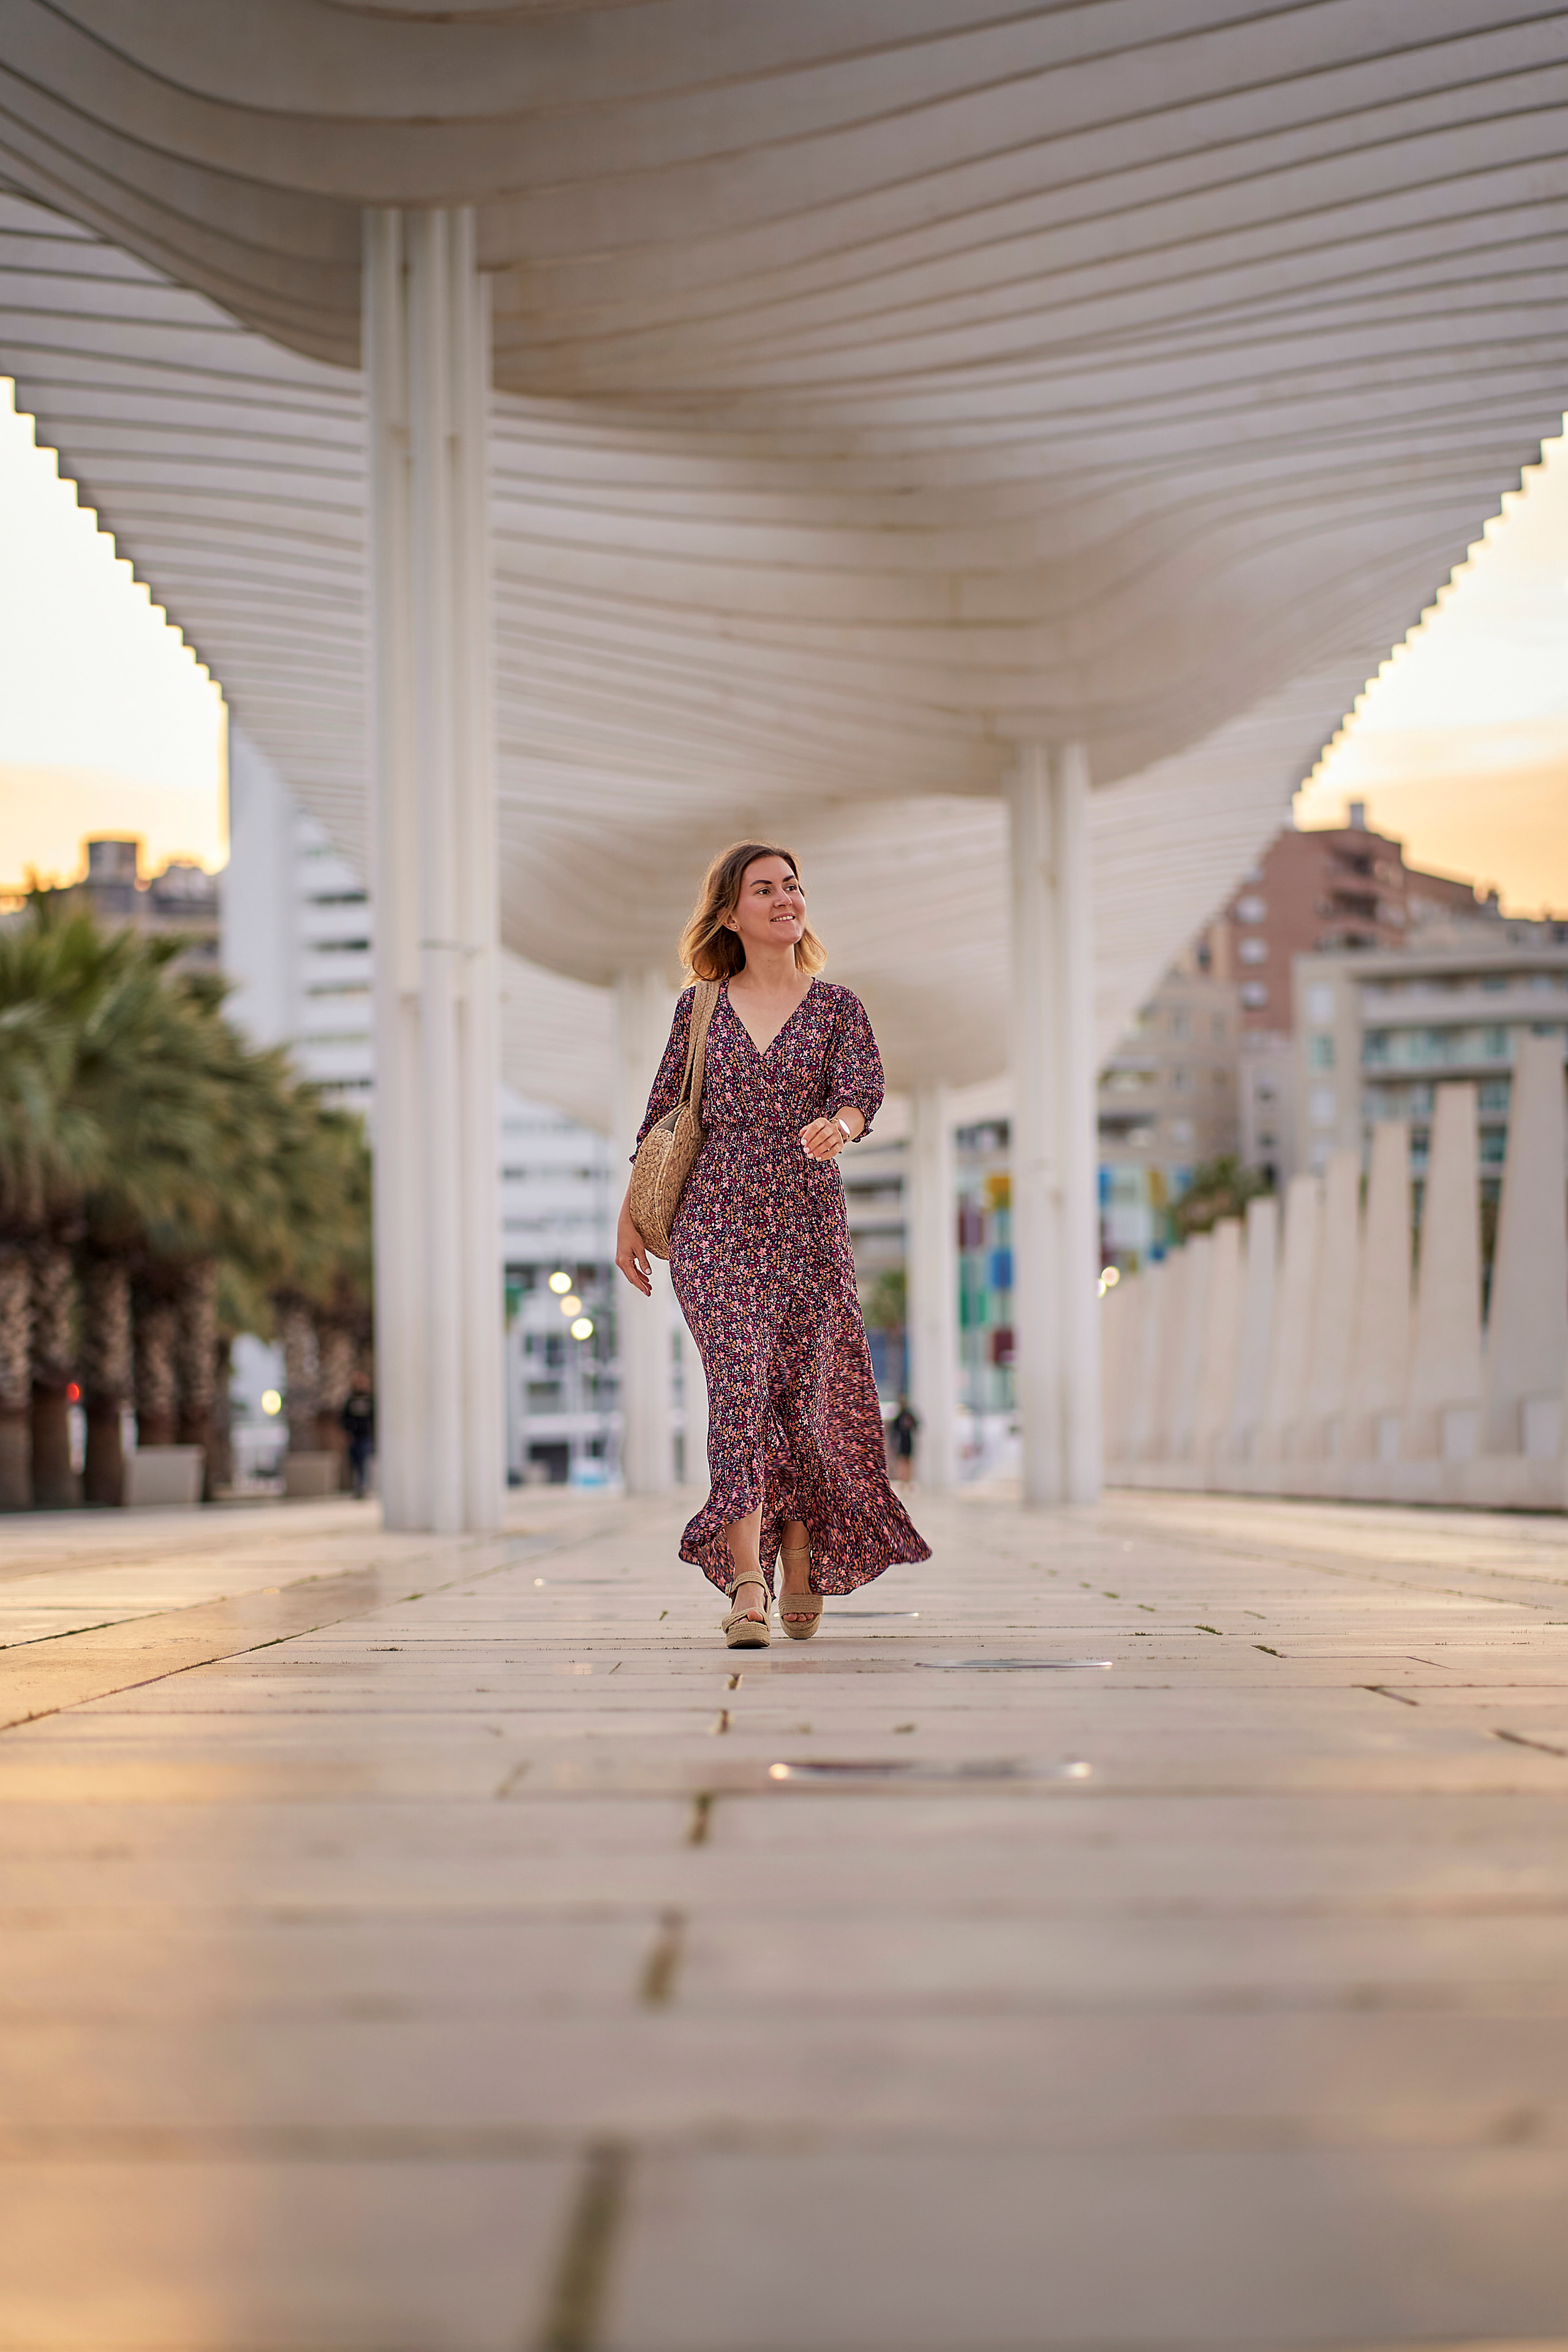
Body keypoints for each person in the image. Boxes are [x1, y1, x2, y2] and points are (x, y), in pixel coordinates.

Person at [616, 841, 930, 1648]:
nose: (787, 898)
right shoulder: (700, 1010)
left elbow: (863, 1089)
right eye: (766, 889)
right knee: (742, 1384)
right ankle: (746, 1579)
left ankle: (800, 1557)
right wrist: (631, 1215)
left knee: (800, 1401)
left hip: (807, 1226)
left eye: (792, 886)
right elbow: (664, 1113)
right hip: (713, 1224)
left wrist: (844, 1124)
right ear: (730, 913)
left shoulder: (838, 1009)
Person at [341, 1371, 375, 1500]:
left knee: (364, 1461)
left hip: (366, 1435)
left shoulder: (370, 1399)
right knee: (355, 1462)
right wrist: (347, 1431)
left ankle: (365, 1488)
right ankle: (358, 1488)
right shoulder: (351, 1400)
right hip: (354, 1436)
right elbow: (344, 1418)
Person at [889, 1396, 919, 1483]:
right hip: (900, 1442)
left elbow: (916, 1426)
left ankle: (907, 1480)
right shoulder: (899, 1417)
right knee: (901, 1462)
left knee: (907, 1462)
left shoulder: (909, 1415)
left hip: (908, 1442)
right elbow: (894, 1431)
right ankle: (902, 1480)